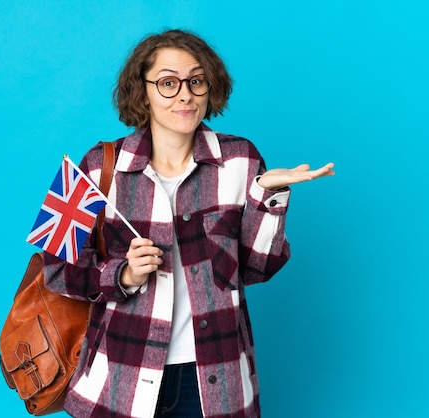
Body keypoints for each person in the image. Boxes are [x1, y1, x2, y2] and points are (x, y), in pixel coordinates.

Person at [42, 29, 335, 418]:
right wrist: (123, 275)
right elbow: (55, 270)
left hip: (217, 381)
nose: (185, 95)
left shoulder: (242, 160)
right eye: (168, 82)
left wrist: (268, 196)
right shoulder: (97, 164)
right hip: (119, 381)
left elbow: (257, 268)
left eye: (196, 81)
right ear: (141, 90)